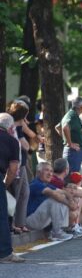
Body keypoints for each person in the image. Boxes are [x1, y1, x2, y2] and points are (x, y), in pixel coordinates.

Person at [25, 162, 75, 241]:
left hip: (40, 220)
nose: (50, 173)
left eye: (51, 171)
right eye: (46, 170)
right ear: (38, 172)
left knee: (63, 197)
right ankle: (57, 232)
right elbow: (53, 194)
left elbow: (65, 192)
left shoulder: (46, 184)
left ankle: (62, 229)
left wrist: (71, 200)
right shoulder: (35, 184)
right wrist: (70, 205)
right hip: (30, 221)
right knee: (54, 199)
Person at [0, 113, 24, 263]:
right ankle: (5, 253)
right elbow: (14, 168)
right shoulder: (12, 141)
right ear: (10, 127)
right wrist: (4, 184)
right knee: (2, 215)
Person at [7, 101, 31, 234]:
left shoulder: (19, 126)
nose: (27, 120)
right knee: (16, 193)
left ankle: (20, 223)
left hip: (21, 162)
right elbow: (26, 145)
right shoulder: (12, 126)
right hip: (15, 164)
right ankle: (13, 223)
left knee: (24, 192)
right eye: (25, 116)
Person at [58, 96, 82, 173]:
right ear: (81, 107)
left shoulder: (71, 114)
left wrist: (66, 139)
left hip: (72, 152)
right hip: (73, 152)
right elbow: (64, 127)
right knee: (73, 177)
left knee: (73, 176)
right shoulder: (72, 116)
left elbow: (57, 127)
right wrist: (70, 143)